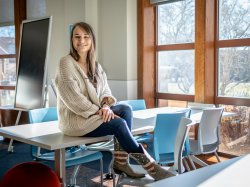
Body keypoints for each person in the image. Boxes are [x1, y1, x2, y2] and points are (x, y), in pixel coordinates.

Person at [55, 22, 174, 181]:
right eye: (77, 37)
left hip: (94, 114)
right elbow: (73, 99)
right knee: (119, 124)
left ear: (92, 40)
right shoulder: (66, 63)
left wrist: (105, 106)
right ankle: (151, 166)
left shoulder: (95, 65)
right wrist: (100, 111)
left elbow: (105, 91)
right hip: (76, 121)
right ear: (71, 40)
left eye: (86, 37)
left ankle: (120, 161)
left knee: (125, 109)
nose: (81, 41)